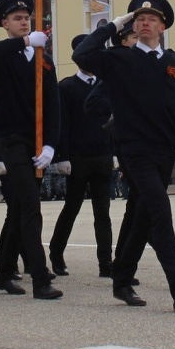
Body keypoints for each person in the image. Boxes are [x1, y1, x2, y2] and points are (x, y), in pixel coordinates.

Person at [74, 0, 175, 312]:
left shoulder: (174, 62)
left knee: (139, 217)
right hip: (134, 150)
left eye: (151, 19)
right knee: (160, 211)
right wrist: (109, 27)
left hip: (164, 151)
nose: (144, 23)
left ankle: (121, 279)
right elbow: (82, 54)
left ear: (163, 26)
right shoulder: (118, 58)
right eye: (138, 19)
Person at [0, 0, 62, 300]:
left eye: (27, 18)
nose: (24, 22)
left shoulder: (44, 59)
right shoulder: (4, 53)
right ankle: (40, 278)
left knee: (18, 207)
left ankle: (3, 272)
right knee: (30, 205)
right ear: (5, 23)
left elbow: (53, 106)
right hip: (11, 139)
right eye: (17, 19)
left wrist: (51, 146)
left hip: (37, 141)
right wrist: (28, 42)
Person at [48, 34, 115, 278]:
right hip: (77, 157)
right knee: (71, 208)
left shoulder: (106, 84)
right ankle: (56, 253)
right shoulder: (66, 87)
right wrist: (61, 156)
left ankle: (106, 263)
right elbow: (61, 124)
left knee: (103, 212)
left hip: (103, 154)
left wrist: (114, 151)